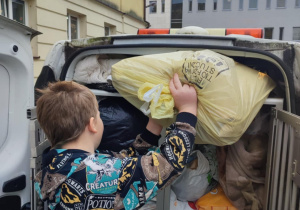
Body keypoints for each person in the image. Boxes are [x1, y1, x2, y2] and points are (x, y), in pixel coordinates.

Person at [34, 73, 198, 210]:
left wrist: (152, 129)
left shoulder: (49, 169)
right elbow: (167, 164)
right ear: (92, 125)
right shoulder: (95, 172)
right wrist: (188, 109)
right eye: (99, 115)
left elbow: (123, 161)